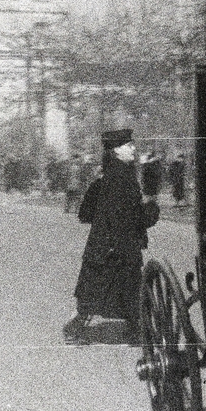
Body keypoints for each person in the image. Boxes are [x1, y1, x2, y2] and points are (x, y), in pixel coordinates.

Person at [64, 128, 160, 345]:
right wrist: (151, 211)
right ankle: (135, 333)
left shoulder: (110, 174)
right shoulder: (122, 177)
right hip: (119, 246)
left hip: (106, 246)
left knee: (101, 289)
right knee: (126, 289)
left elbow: (86, 212)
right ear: (117, 151)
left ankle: (79, 330)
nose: (133, 148)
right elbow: (129, 216)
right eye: (129, 146)